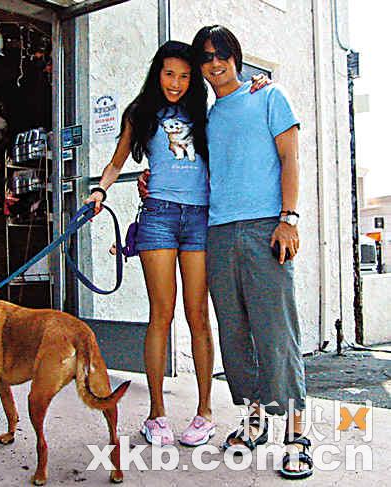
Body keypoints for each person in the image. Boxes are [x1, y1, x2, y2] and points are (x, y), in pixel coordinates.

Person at [140, 26, 312, 479]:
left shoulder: (269, 96)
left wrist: (289, 218)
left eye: (222, 54)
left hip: (265, 228)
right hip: (215, 232)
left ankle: (296, 433)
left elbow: (291, 158)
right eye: (206, 57)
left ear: (236, 56)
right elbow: (189, 164)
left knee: (276, 332)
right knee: (234, 334)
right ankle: (253, 420)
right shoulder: (208, 118)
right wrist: (150, 178)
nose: (215, 63)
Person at [85, 40, 269, 447]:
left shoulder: (204, 113)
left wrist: (260, 84)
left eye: (185, 76)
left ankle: (205, 412)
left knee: (198, 315)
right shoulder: (140, 113)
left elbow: (238, 112)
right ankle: (156, 414)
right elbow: (116, 162)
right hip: (159, 218)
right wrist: (100, 190)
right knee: (161, 315)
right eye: (169, 74)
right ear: (157, 73)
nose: (176, 83)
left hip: (200, 218)